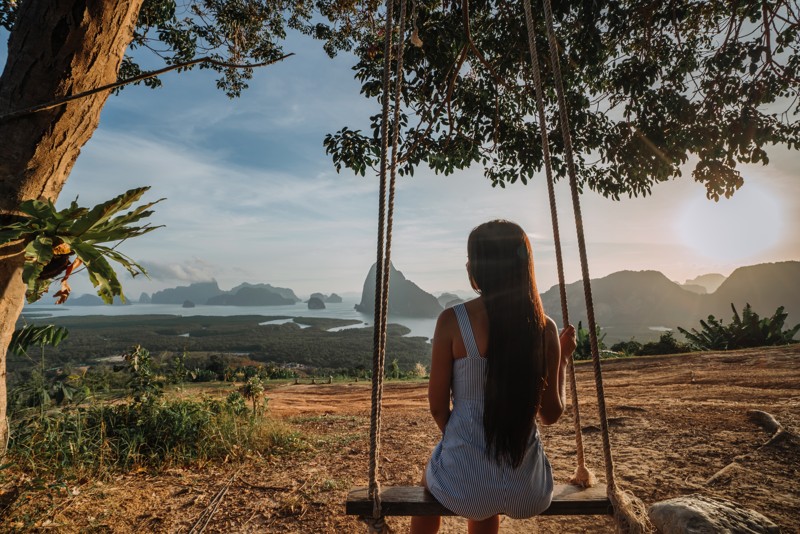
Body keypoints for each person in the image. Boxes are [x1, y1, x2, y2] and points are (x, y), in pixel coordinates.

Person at [410, 220, 576, 534]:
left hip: (467, 483)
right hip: (529, 489)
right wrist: (563, 362)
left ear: (477, 268)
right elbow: (551, 414)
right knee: (484, 495)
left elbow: (436, 406)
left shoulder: (452, 320)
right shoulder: (545, 328)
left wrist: (464, 435)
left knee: (434, 480)